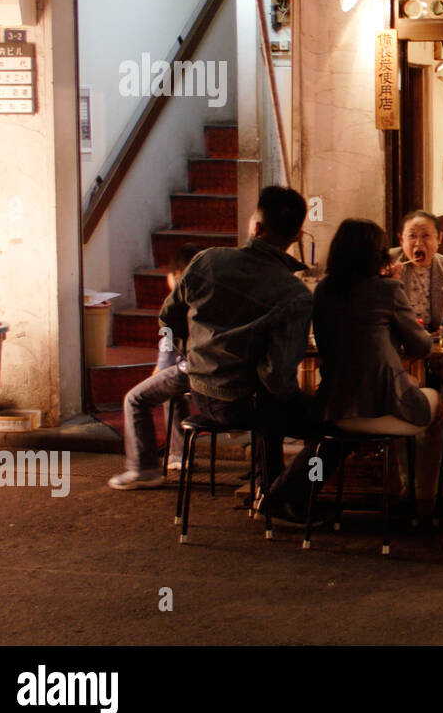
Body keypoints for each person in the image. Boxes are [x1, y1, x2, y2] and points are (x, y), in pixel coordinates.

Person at [158, 185, 318, 520]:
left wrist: (196, 355)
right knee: (331, 424)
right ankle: (281, 494)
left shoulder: (206, 260)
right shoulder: (295, 293)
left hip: (200, 393)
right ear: (297, 235)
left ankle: (267, 491)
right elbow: (276, 378)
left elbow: (168, 319)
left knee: (271, 406)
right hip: (248, 404)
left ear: (256, 228)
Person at [301, 218, 443, 514]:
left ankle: (393, 490)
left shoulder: (324, 289)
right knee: (437, 403)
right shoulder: (388, 290)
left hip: (335, 410)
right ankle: (424, 501)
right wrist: (389, 285)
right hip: (379, 409)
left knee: (405, 390)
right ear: (379, 254)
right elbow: (422, 347)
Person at [108, 242, 204, 489]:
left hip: (190, 371)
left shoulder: (177, 302)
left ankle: (143, 468)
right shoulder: (211, 298)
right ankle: (179, 455)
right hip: (210, 372)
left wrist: (161, 368)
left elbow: (168, 342)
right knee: (170, 394)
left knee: (135, 399)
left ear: (176, 276)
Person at [386, 209, 443, 333]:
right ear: (401, 240)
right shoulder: (387, 261)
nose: (418, 243)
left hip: (435, 341)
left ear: (439, 238)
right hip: (397, 341)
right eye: (412, 236)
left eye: (426, 235)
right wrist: (384, 278)